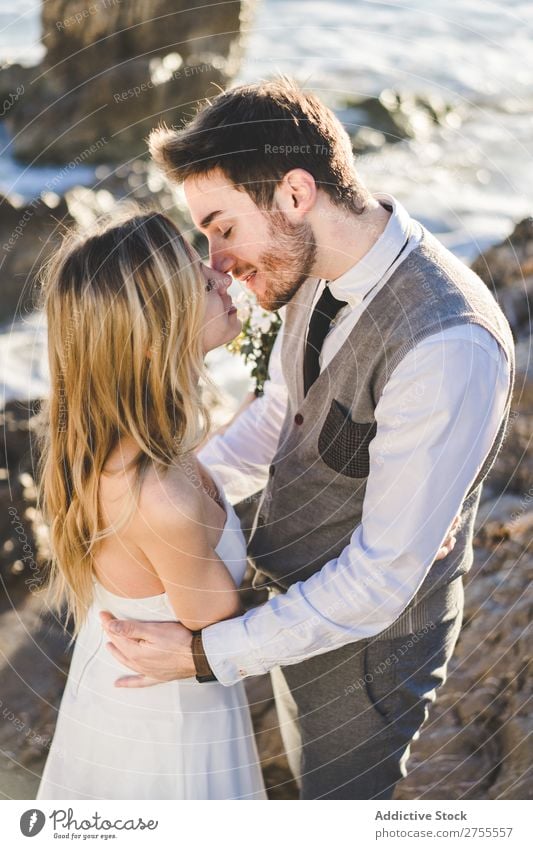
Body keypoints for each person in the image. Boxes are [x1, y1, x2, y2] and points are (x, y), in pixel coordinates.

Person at [101, 78, 515, 800]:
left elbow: (381, 580)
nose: (217, 261)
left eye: (223, 227)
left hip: (365, 661)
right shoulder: (312, 269)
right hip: (292, 613)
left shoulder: (447, 346)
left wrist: (205, 653)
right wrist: (159, 490)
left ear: (294, 194)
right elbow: (281, 410)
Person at [35, 208, 267, 800]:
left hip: (122, 707)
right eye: (196, 277)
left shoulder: (115, 450)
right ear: (151, 338)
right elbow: (228, 630)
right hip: (172, 738)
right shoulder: (159, 497)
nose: (221, 274)